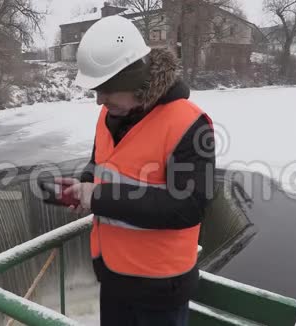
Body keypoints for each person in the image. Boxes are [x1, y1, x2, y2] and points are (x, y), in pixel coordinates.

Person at [54, 15, 215, 326]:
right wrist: (84, 183)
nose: (99, 100)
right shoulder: (109, 113)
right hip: (113, 278)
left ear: (133, 80)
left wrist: (98, 196)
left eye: (106, 90)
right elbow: (100, 162)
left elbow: (188, 207)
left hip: (160, 291)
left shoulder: (190, 125)